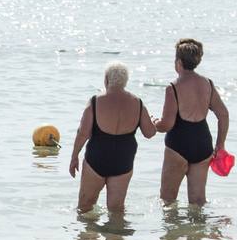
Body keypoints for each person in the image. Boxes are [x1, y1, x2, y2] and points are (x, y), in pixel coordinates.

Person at [68, 61, 155, 214]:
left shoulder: (96, 101)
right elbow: (149, 133)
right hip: (123, 161)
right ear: (125, 81)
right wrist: (153, 122)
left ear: (106, 79)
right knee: (116, 210)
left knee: (85, 207)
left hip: (97, 159)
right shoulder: (138, 103)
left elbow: (83, 133)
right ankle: (116, 237)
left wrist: (74, 156)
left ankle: (88, 236)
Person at [154, 38, 228, 206]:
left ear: (178, 61)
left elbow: (166, 125)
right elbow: (223, 115)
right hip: (202, 145)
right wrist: (220, 145)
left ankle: (174, 232)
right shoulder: (207, 84)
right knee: (198, 201)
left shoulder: (173, 87)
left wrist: (153, 122)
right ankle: (198, 232)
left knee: (168, 200)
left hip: (178, 145)